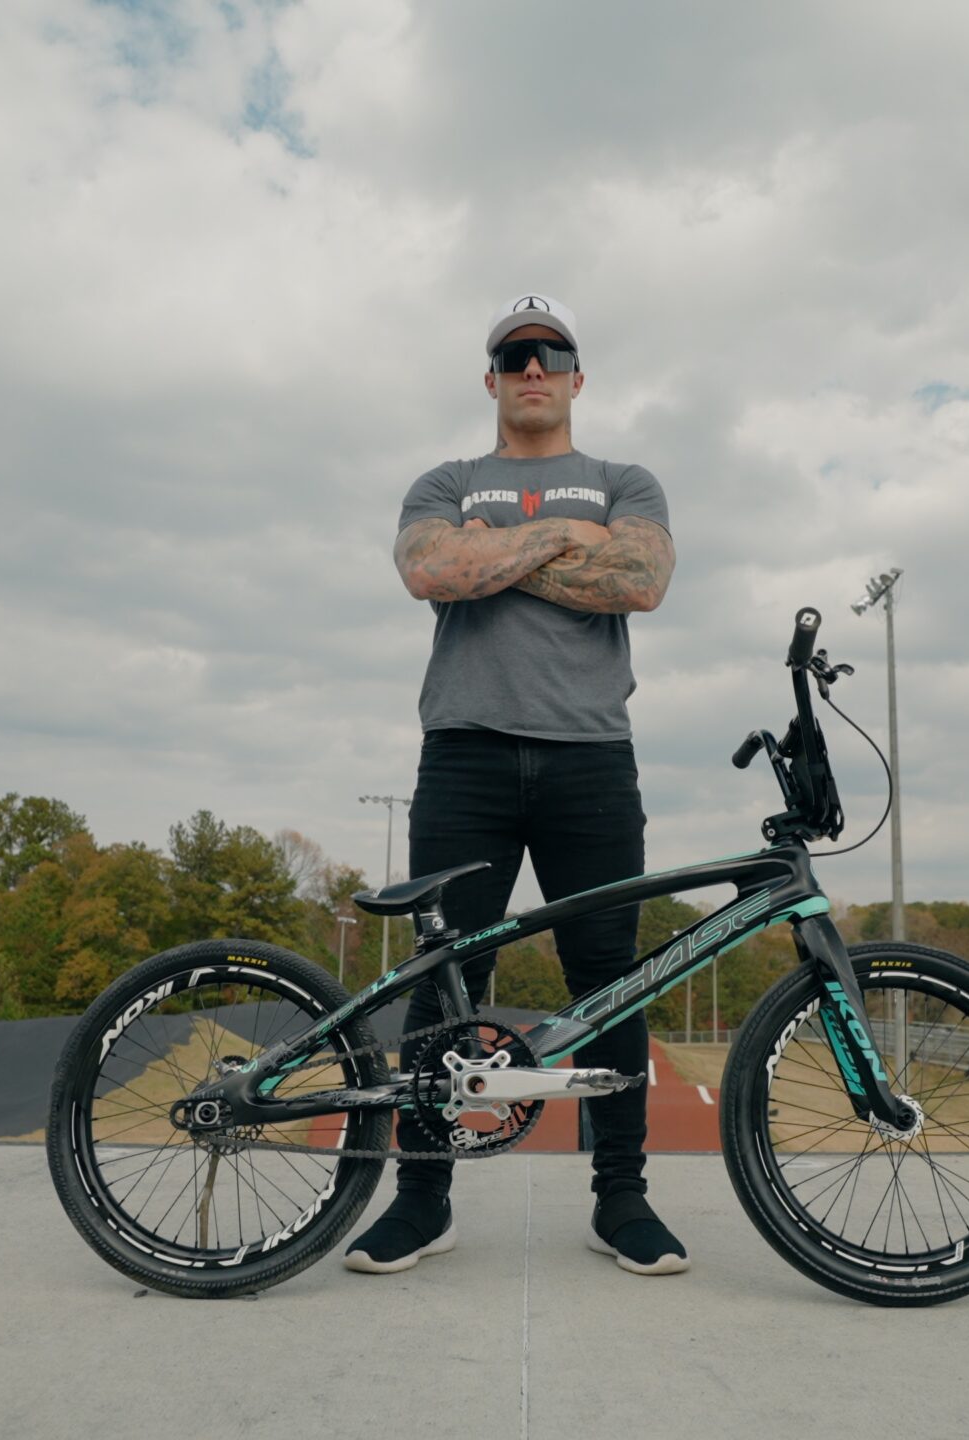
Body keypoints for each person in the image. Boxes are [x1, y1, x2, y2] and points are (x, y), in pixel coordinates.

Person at [343, 293, 684, 1277]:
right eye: (515, 354)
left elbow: (643, 582)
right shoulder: (446, 479)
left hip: (589, 756)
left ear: (578, 376)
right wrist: (565, 544)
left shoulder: (626, 479)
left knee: (610, 983)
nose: (533, 367)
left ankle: (621, 1200)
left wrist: (487, 559)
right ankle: (421, 1201)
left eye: (552, 352)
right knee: (441, 988)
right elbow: (425, 570)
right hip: (465, 753)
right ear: (491, 379)